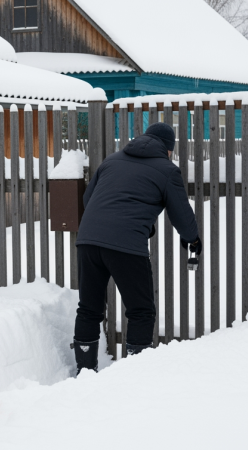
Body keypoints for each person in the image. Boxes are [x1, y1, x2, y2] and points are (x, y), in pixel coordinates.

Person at [73, 122, 200, 373]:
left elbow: (89, 199)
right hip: (126, 245)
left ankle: (85, 373)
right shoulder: (167, 170)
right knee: (141, 311)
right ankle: (133, 376)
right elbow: (181, 214)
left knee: (89, 308)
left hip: (88, 240)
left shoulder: (111, 160)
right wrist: (192, 239)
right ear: (168, 149)